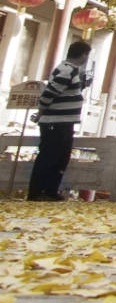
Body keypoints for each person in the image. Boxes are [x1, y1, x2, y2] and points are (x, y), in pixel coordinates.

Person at [27, 39, 93, 201]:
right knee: (49, 156)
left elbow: (67, 92)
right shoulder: (66, 70)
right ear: (83, 55)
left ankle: (50, 189)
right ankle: (38, 191)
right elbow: (49, 94)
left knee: (61, 157)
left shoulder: (71, 71)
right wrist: (40, 113)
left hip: (64, 121)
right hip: (55, 122)